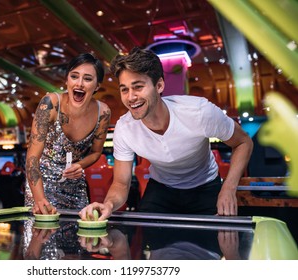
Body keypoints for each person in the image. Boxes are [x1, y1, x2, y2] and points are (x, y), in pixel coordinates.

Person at [79, 47, 253, 221]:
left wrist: (229, 188)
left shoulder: (199, 112)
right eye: (124, 89)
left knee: (218, 243)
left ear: (159, 85)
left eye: (138, 87)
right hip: (161, 188)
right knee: (148, 239)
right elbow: (120, 183)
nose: (130, 97)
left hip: (205, 185)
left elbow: (243, 142)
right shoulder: (124, 128)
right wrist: (108, 204)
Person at [25, 53, 111, 214]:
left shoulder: (103, 112)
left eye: (87, 79)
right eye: (74, 76)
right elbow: (32, 159)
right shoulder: (50, 104)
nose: (79, 84)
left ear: (97, 86)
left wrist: (79, 165)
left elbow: (96, 152)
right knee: (43, 236)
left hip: (75, 187)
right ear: (67, 80)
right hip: (41, 187)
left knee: (78, 237)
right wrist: (39, 198)